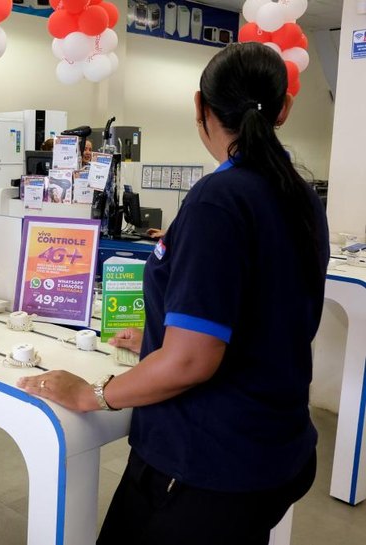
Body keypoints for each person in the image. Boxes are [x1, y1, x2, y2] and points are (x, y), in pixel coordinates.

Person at [18, 42, 329, 544]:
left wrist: (93, 393)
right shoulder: (298, 195)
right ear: (284, 109)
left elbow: (192, 363)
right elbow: (267, 308)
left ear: (200, 106)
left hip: (205, 464)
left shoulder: (219, 200)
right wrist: (163, 326)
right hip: (278, 446)